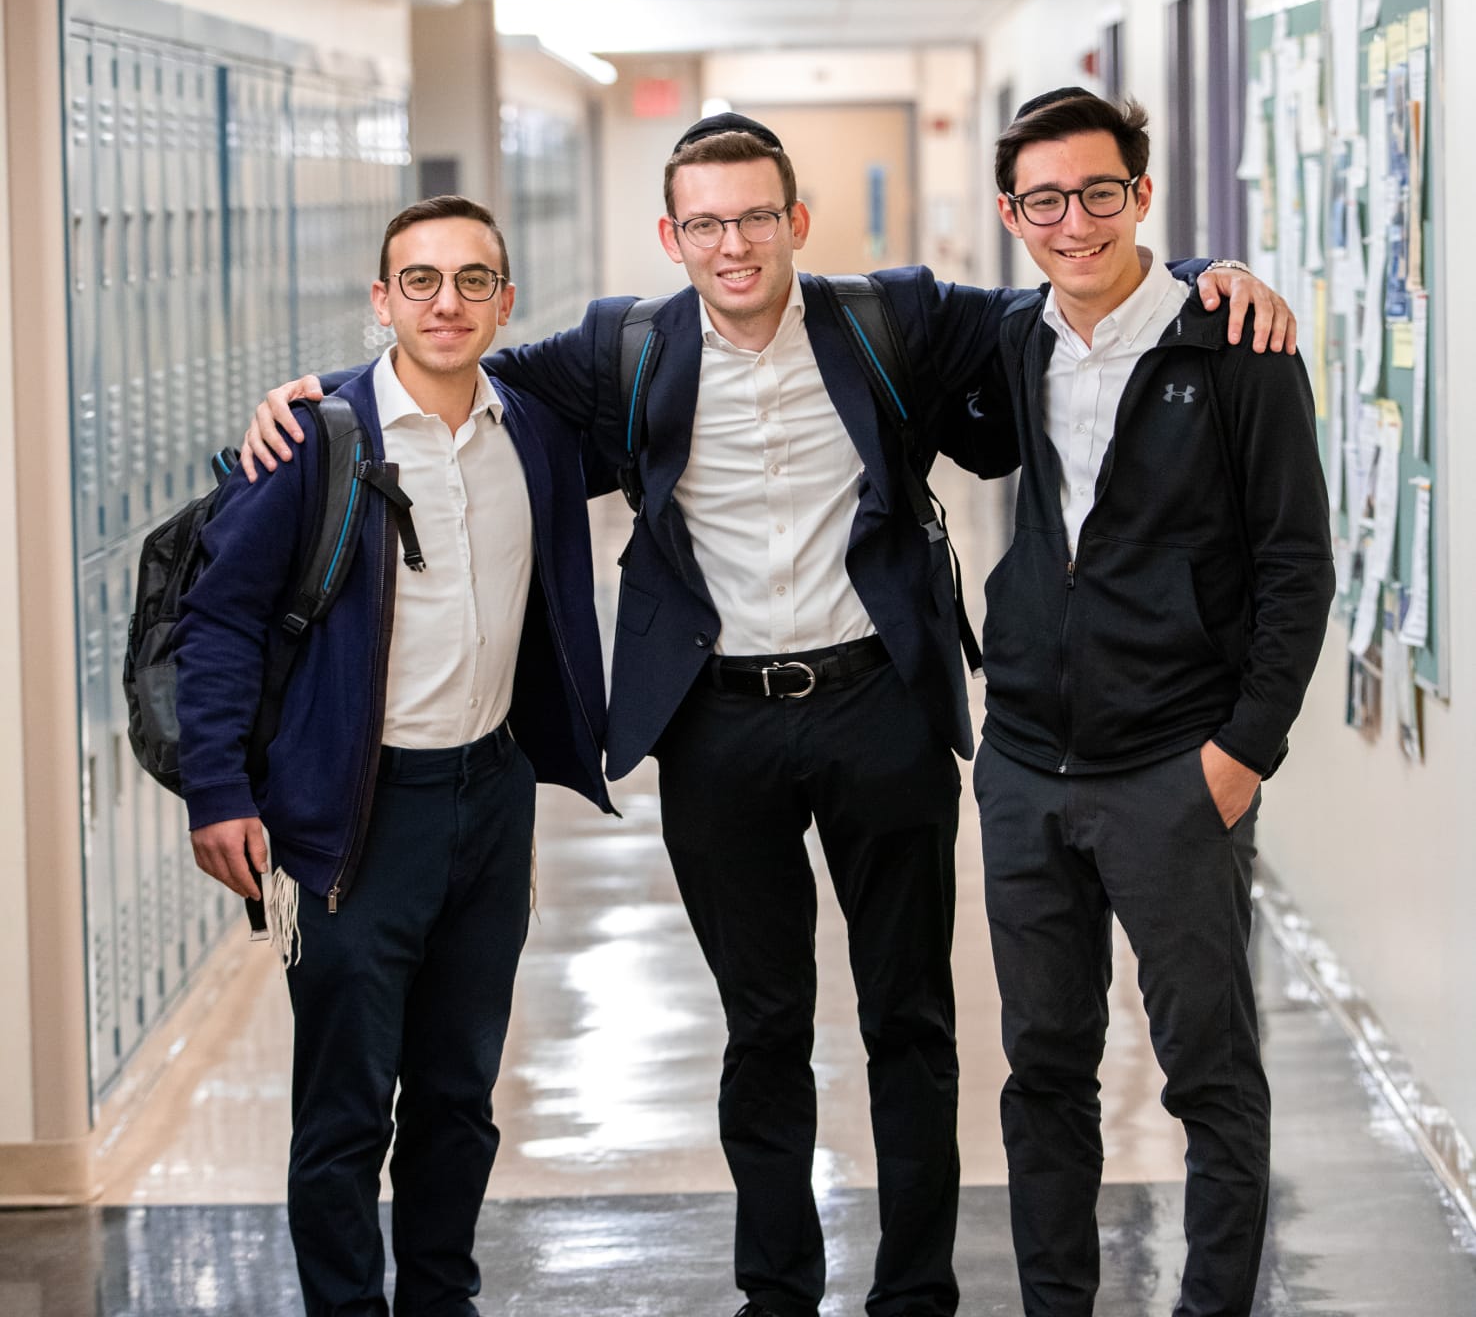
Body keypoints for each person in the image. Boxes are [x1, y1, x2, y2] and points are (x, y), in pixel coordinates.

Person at [240, 116, 1293, 1317]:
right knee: (764, 1027)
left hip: (879, 710)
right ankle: (777, 1290)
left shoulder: (885, 317)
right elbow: (448, 365)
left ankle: (915, 1292)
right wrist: (317, 393)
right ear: (670, 235)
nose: (732, 244)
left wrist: (1218, 274)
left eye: (755, 217)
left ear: (796, 222)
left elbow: (1073, 274)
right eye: (705, 222)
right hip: (719, 728)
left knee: (912, 1022)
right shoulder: (622, 347)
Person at [174, 195, 612, 1317]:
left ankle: (438, 1300)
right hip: (357, 815)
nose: (447, 302)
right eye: (420, 280)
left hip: (490, 796)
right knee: (347, 1110)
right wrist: (217, 789)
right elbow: (219, 620)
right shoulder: (314, 442)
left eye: (474, 280)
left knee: (460, 1095)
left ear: (506, 301)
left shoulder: (539, 433)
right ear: (382, 300)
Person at [971, 88, 1334, 1317]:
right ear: (1013, 214)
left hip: (1176, 771)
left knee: (1210, 1075)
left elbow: (1298, 566)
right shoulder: (1017, 338)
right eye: (1045, 200)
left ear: (1141, 192)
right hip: (1026, 767)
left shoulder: (1237, 346)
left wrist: (1243, 755)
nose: (1075, 223)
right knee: (1045, 1070)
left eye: (1100, 192)